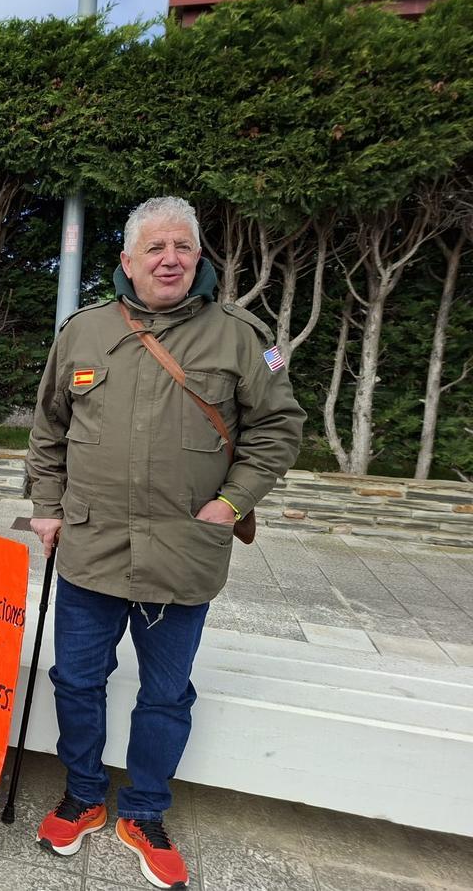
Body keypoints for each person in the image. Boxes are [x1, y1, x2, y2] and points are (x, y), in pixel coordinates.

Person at [25, 197, 304, 890]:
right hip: (91, 549)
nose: (170, 258)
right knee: (76, 681)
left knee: (165, 693)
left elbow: (279, 427)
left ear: (199, 257)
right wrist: (45, 507)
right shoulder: (83, 332)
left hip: (185, 551)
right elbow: (48, 427)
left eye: (183, 246)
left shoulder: (243, 335)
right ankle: (85, 795)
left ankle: (144, 811)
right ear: (126, 260)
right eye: (154, 248)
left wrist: (231, 503)